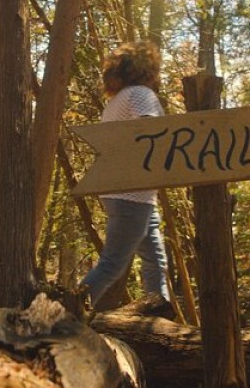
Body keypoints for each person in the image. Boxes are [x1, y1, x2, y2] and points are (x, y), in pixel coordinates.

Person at [80, 41, 174, 319]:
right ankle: (62, 314)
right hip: (131, 194)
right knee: (113, 264)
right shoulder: (141, 94)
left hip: (135, 193)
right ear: (147, 70)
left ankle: (158, 318)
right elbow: (149, 132)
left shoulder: (117, 100)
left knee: (155, 260)